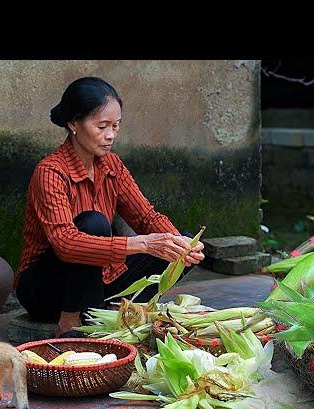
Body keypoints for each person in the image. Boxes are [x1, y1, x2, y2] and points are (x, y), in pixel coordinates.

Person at [14, 76, 205, 337]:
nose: (111, 135)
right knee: (93, 224)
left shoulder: (112, 165)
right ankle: (71, 320)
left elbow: (146, 217)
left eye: (116, 126)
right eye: (102, 126)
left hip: (97, 278)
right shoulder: (50, 172)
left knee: (178, 245)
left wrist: (177, 244)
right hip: (47, 291)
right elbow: (66, 244)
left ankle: (107, 308)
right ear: (73, 124)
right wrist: (144, 244)